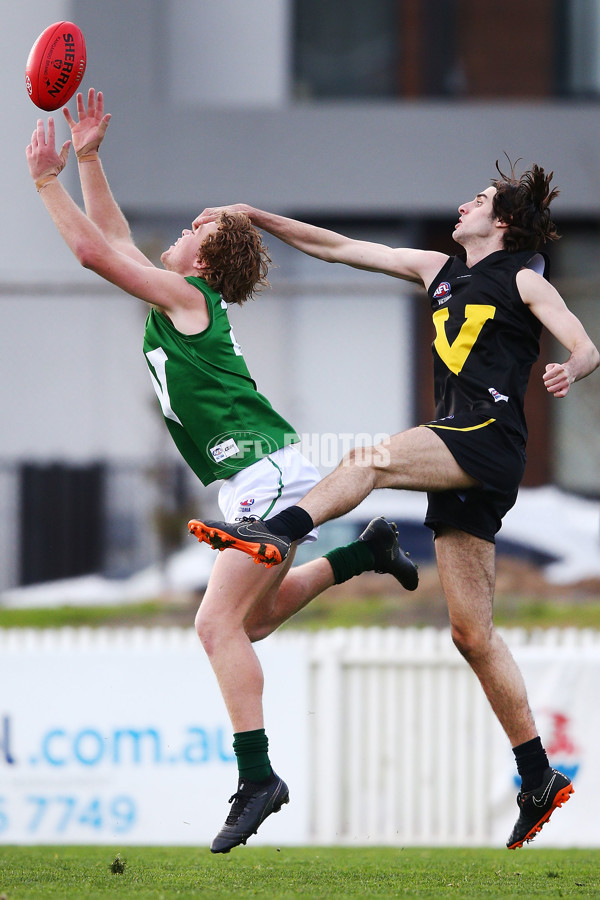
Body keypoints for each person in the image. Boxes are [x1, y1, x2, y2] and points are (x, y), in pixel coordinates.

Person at [25, 89, 418, 854]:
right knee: (254, 622)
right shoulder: (184, 299)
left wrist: (48, 181)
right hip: (266, 474)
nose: (176, 235)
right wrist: (93, 157)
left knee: (214, 625)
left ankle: (257, 778)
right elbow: (116, 237)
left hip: (265, 475)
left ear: (201, 258)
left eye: (190, 230)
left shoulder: (188, 296)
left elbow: (94, 253)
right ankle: (362, 553)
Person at [188, 162, 600, 849]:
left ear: (499, 223)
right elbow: (340, 247)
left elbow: (581, 339)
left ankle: (276, 531)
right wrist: (257, 215)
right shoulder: (435, 268)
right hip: (464, 458)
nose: (464, 203)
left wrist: (573, 365)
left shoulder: (523, 274)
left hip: (486, 437)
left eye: (480, 199)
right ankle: (538, 776)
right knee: (472, 635)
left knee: (368, 459)